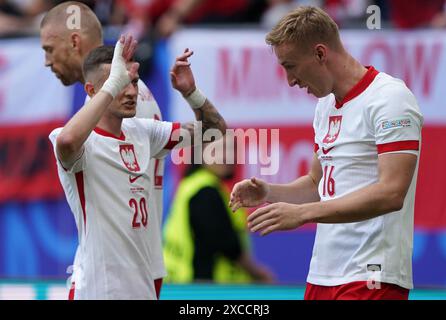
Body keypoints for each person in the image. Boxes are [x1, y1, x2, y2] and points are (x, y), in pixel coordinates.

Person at [229, 6, 423, 300]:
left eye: (290, 66)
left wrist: (303, 214)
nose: (290, 81)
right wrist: (270, 192)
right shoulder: (325, 106)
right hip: (322, 274)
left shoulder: (390, 99)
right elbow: (316, 185)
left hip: (371, 277)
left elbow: (392, 193)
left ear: (320, 53)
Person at [48, 34, 226, 299]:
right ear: (92, 91)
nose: (131, 92)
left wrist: (192, 94)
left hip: (142, 285)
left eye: (132, 82)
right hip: (98, 289)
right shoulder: (80, 143)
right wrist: (113, 84)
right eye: (120, 84)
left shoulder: (142, 132)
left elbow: (215, 132)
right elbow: (67, 140)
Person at [39, 1, 167, 298]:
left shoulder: (116, 101)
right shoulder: (129, 94)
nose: (47, 61)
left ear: (74, 42)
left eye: (48, 49)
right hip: (134, 267)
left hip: (117, 276)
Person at [163, 138, 273, 284]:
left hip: (181, 282)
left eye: (231, 150)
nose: (226, 156)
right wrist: (258, 273)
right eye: (217, 151)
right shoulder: (205, 191)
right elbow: (226, 243)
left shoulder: (192, 185)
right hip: (204, 288)